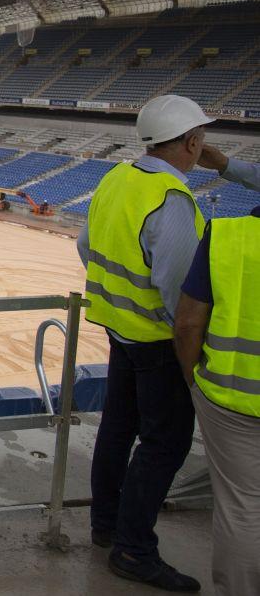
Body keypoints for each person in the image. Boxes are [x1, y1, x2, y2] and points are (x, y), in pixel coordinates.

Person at [78, 94, 213, 592]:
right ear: (193, 143)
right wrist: (190, 363)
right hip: (157, 342)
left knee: (117, 429)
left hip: (119, 330)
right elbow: (182, 301)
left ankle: (106, 526)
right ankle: (133, 549)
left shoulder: (117, 178)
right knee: (165, 443)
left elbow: (85, 246)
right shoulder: (173, 202)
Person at [173, 201, 259, 595]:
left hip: (232, 401)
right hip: (233, 403)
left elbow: (189, 322)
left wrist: (194, 380)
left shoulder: (227, 235)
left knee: (242, 510)